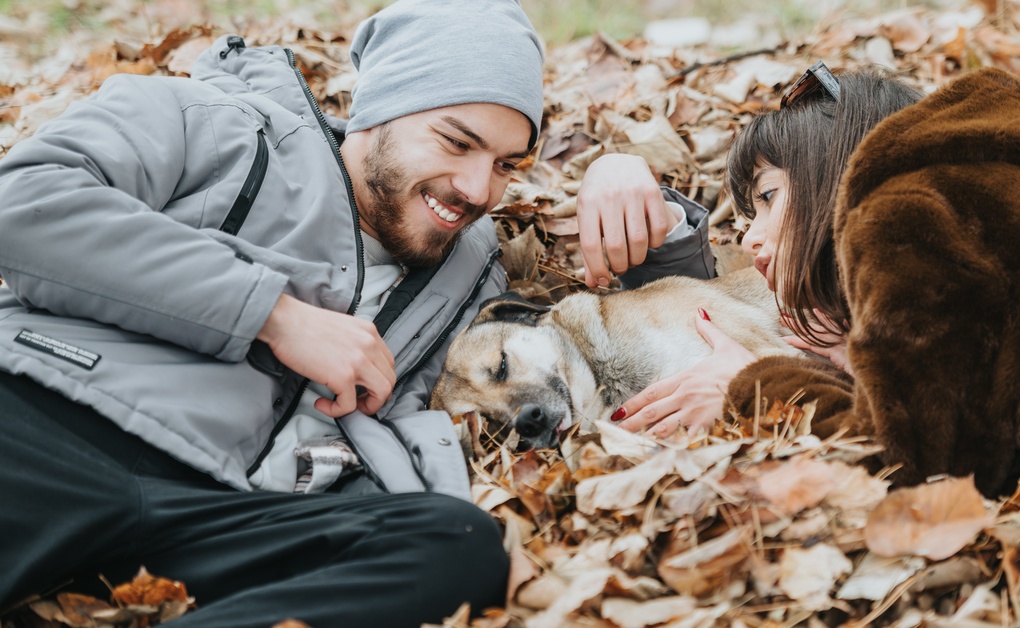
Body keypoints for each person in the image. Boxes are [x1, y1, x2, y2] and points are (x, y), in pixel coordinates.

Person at [0, 0, 716, 624]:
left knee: (456, 546)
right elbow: (23, 207)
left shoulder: (469, 269)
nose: (476, 187)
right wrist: (274, 315)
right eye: (456, 140)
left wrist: (633, 189)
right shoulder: (216, 123)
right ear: (379, 111)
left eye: (506, 164)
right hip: (43, 422)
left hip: (216, 510)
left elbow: (623, 324)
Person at [603, 61, 1020, 526]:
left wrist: (758, 381)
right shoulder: (978, 195)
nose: (752, 239)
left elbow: (915, 473)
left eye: (766, 197)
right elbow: (967, 425)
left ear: (833, 168)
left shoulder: (898, 212)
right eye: (739, 221)